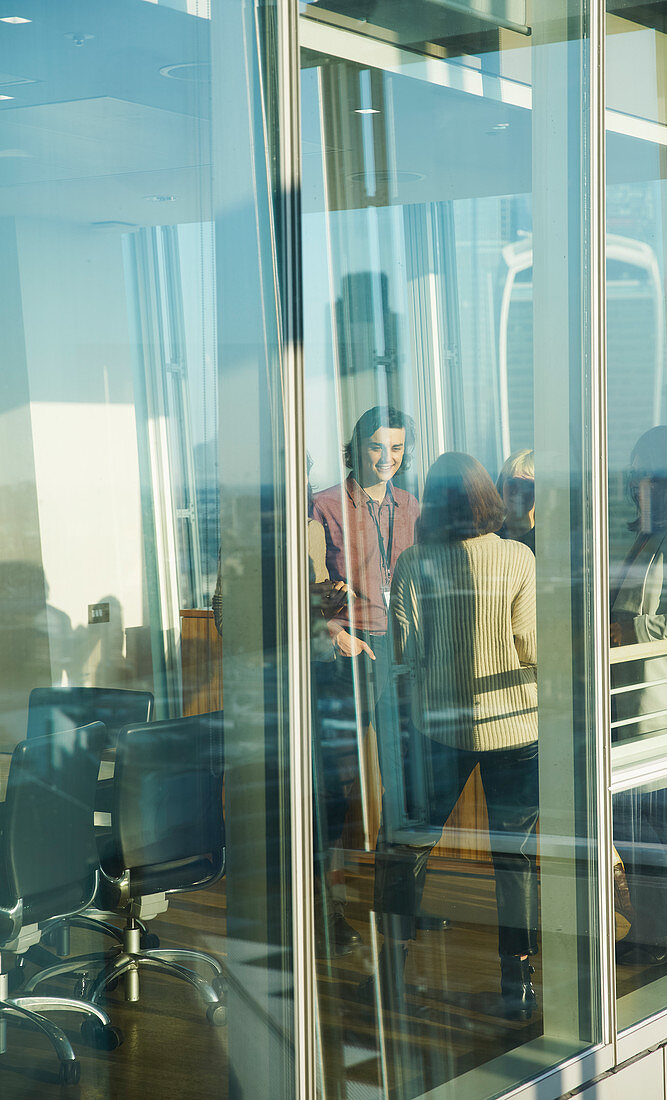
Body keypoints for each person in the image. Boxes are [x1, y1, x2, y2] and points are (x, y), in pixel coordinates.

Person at [369, 452, 539, 1020]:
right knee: (515, 857)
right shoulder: (518, 558)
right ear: (488, 498)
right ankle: (516, 986)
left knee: (409, 843)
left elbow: (403, 652)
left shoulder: (415, 561)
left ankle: (391, 975)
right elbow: (531, 647)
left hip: (439, 728)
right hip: (516, 725)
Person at [310, 406, 426, 948]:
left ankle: (398, 905)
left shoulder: (412, 505)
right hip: (349, 658)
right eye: (378, 448)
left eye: (397, 449)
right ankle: (322, 909)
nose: (388, 459)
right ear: (355, 451)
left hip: (401, 655)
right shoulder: (325, 505)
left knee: (403, 786)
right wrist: (335, 633)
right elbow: (308, 586)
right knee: (338, 787)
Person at [610, 426, 667, 963]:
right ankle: (652, 932)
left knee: (651, 828)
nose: (633, 486)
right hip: (630, 709)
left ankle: (655, 935)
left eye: (642, 476)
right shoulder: (645, 537)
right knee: (635, 826)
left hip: (655, 715)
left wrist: (626, 628)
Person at [496, 449, 535, 553]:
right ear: (501, 485)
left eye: (527, 485)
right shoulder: (490, 539)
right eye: (512, 483)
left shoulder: (549, 540)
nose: (518, 491)